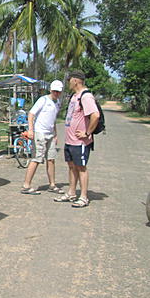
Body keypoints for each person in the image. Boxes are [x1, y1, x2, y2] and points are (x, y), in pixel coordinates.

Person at [54, 71, 100, 208]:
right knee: (71, 166)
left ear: (75, 81)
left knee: (81, 168)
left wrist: (87, 132)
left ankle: (84, 196)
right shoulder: (75, 96)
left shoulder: (86, 97)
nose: (68, 83)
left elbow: (95, 115)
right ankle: (71, 192)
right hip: (70, 140)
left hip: (80, 142)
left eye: (69, 80)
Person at [21, 80, 64, 195]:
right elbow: (31, 114)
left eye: (58, 91)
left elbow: (53, 119)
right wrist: (30, 130)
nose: (56, 93)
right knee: (36, 158)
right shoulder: (43, 100)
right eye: (54, 91)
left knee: (51, 159)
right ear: (50, 90)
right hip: (40, 133)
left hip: (50, 134)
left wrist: (55, 134)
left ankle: (52, 184)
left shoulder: (57, 102)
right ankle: (26, 185)